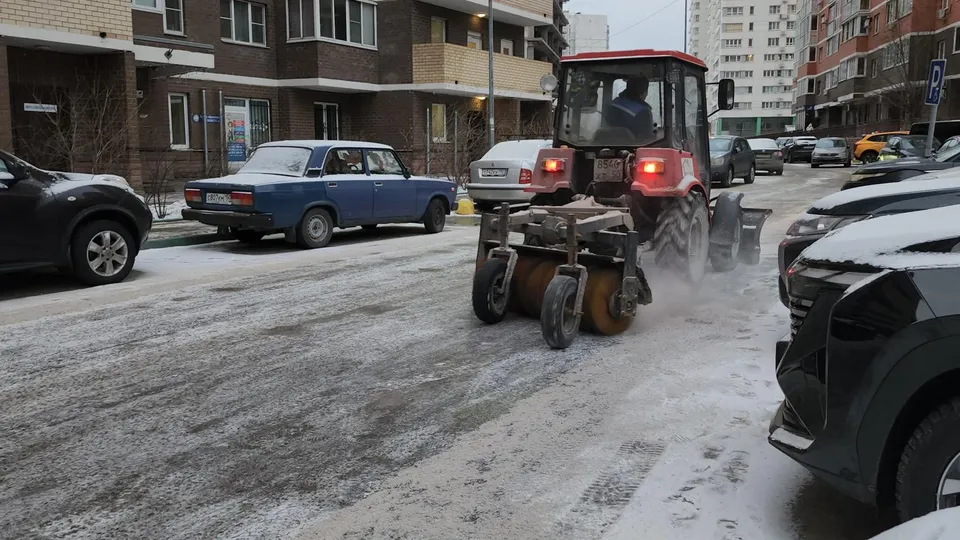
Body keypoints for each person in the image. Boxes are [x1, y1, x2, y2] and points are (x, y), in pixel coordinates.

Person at [605, 75, 655, 141]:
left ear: (627, 89)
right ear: (644, 92)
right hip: (631, 148)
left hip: (606, 144)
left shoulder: (612, 104)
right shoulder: (643, 112)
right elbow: (646, 140)